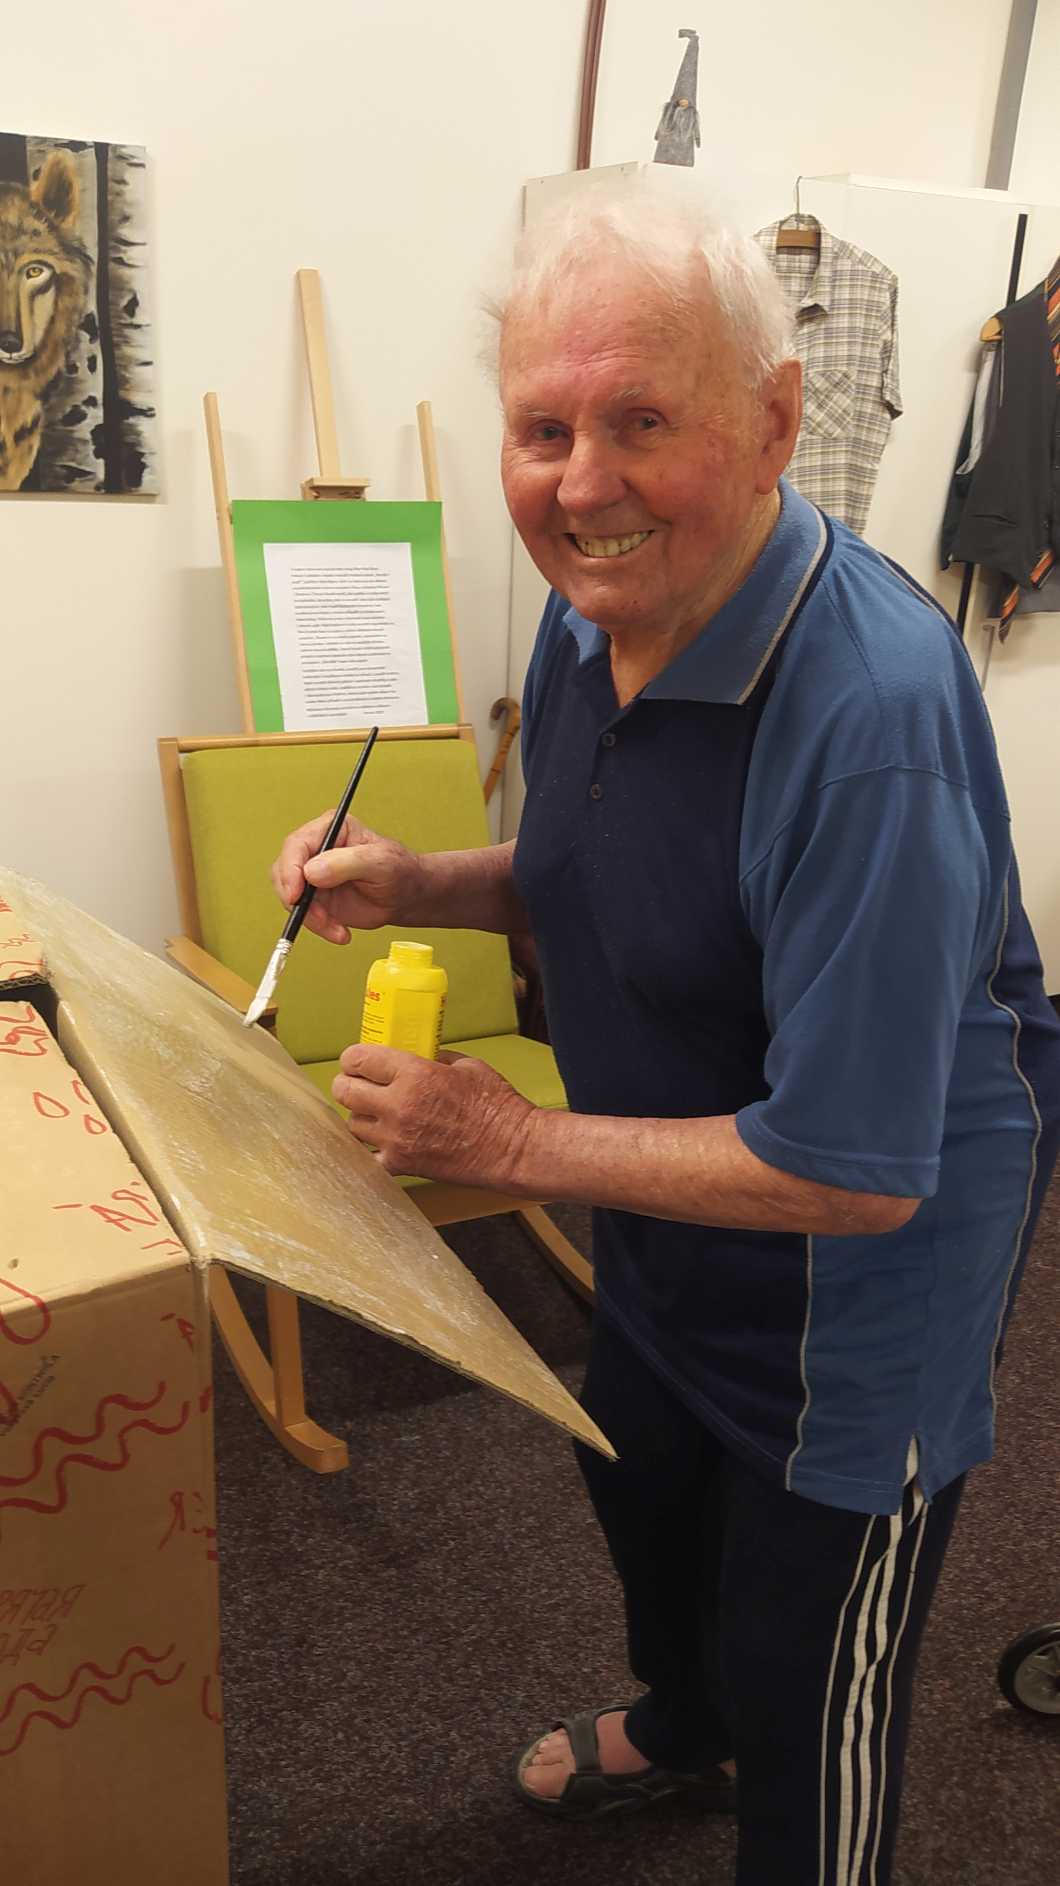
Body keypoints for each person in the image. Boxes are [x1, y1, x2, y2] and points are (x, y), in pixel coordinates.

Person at [272, 183, 1060, 1885]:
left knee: (807, 1660)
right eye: (542, 429)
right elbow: (613, 869)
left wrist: (507, 1141)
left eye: (641, 421)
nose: (581, 485)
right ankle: (686, 1724)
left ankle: (770, 1773)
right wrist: (422, 880)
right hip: (664, 1192)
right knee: (650, 1494)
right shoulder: (596, 610)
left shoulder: (869, 719)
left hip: (854, 1277)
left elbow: (854, 1168)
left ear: (773, 422)